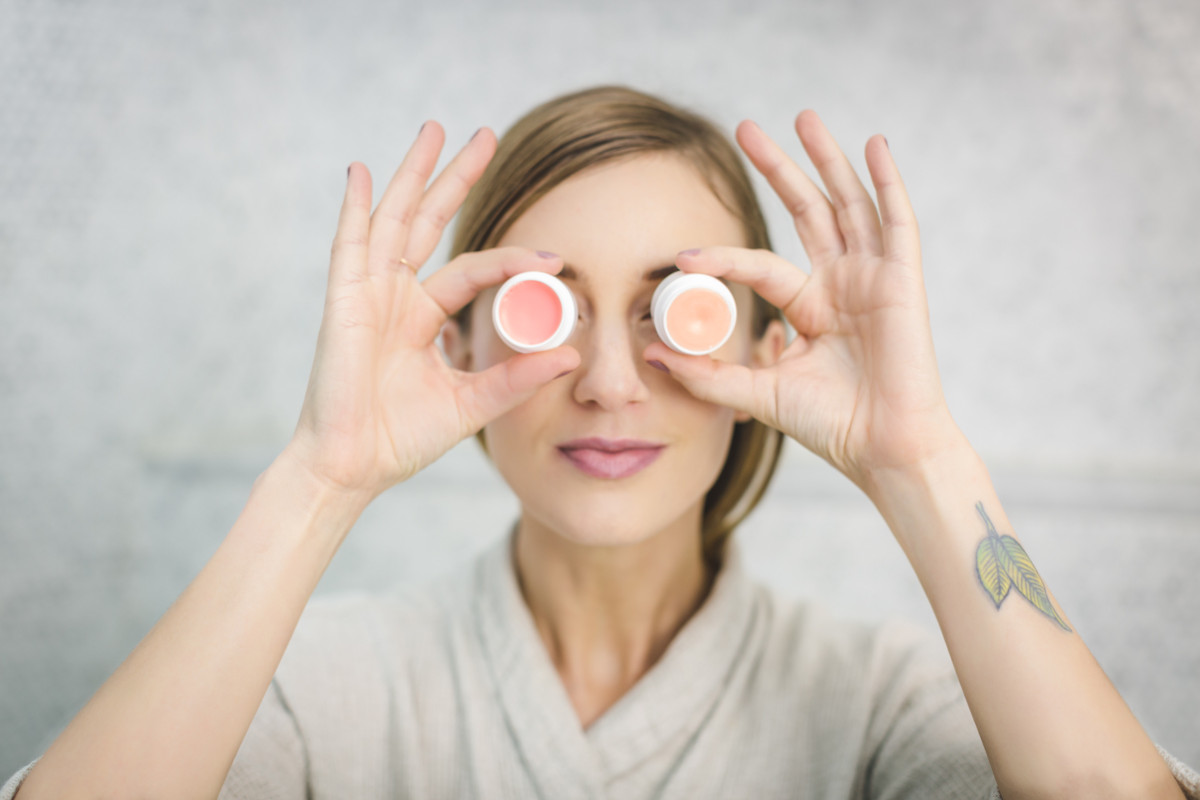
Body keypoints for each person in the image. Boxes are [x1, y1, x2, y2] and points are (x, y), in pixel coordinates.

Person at [3, 85, 1196, 800]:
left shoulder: (883, 703)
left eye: (672, 309)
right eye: (547, 308)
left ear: (764, 349)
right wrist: (318, 477)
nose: (612, 384)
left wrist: (924, 459)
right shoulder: (322, 687)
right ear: (459, 340)